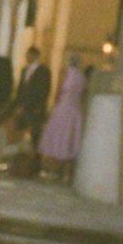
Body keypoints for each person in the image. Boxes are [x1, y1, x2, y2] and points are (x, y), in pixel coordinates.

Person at [40, 55, 89, 183]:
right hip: (75, 111)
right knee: (70, 140)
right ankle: (67, 173)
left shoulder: (66, 75)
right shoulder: (82, 77)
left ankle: (54, 171)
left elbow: (58, 92)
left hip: (63, 109)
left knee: (58, 138)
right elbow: (83, 95)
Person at [8, 44, 51, 174]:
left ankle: (35, 166)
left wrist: (37, 107)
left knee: (35, 137)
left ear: (35, 55)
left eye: (29, 55)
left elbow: (43, 91)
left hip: (35, 109)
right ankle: (19, 165)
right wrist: (16, 106)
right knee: (20, 137)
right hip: (23, 108)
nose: (27, 58)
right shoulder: (25, 70)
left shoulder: (43, 71)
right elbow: (21, 91)